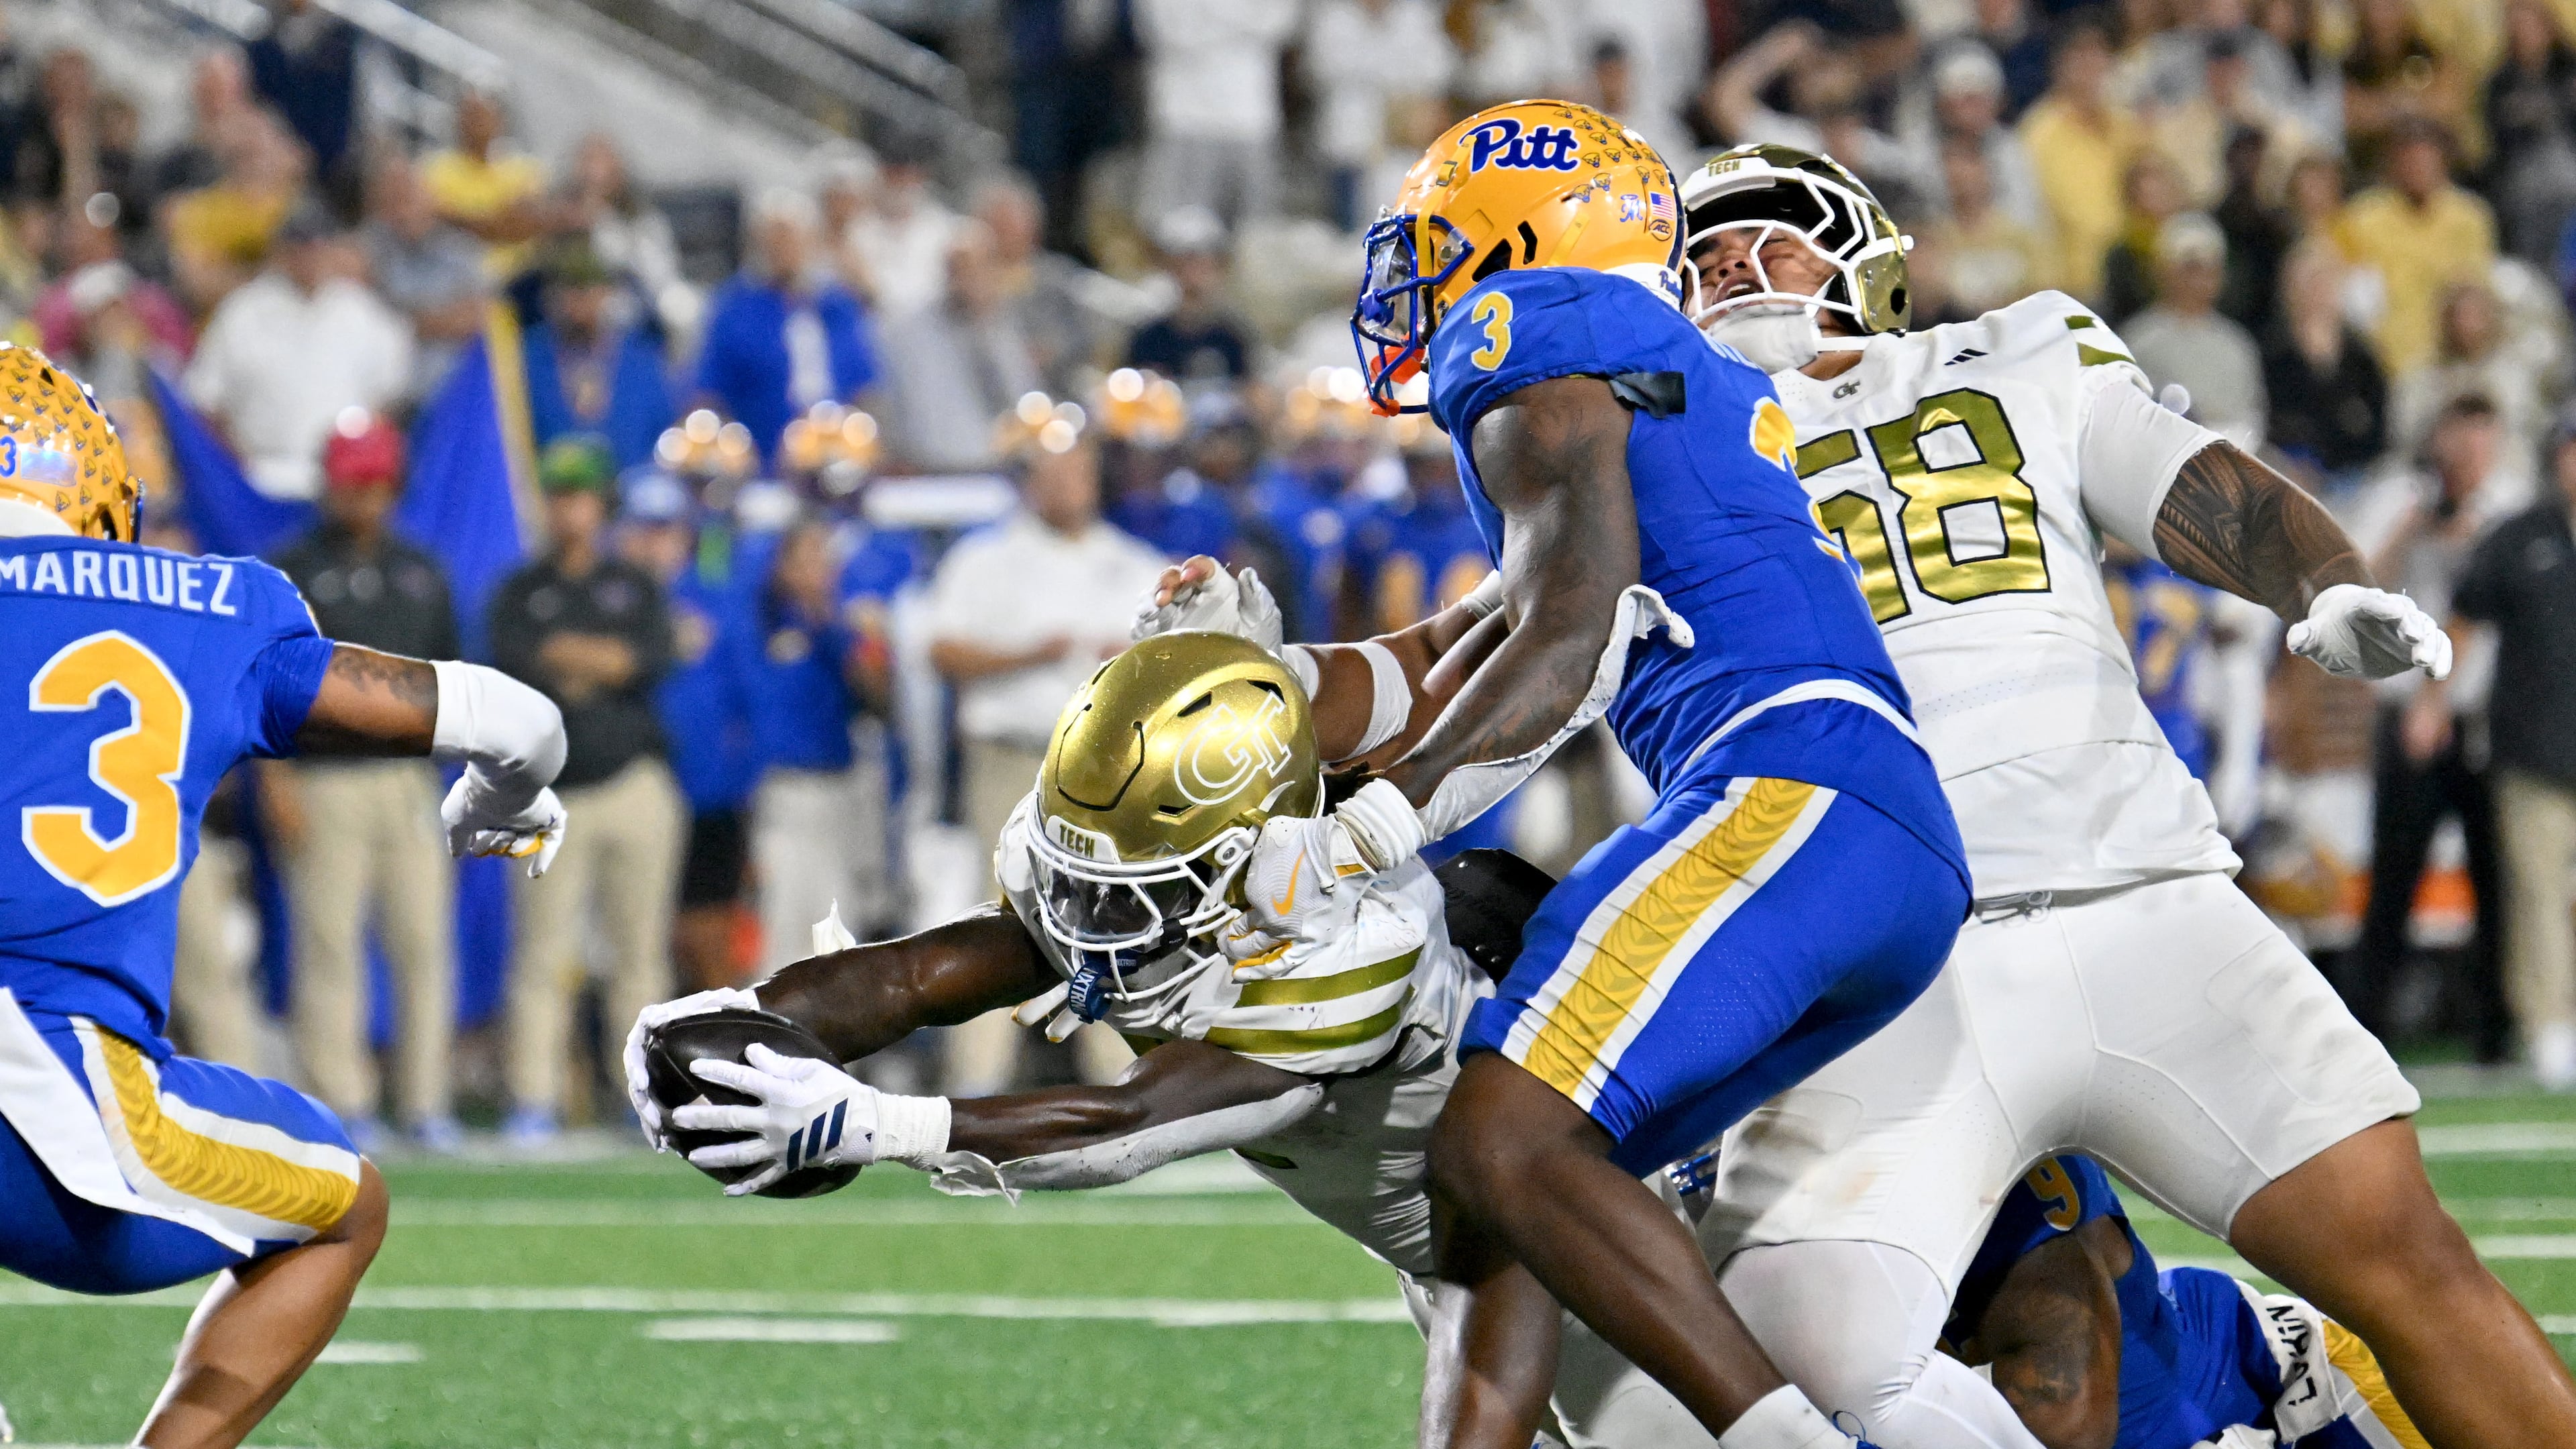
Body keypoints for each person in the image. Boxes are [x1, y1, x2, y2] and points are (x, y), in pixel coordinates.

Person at [1666, 141, 2573, 1446]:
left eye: (1774, 237)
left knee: (2407, 1261)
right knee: (1782, 1372)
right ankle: (2210, 1355)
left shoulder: (2021, 349)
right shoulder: (1654, 444)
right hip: (1879, 957)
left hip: (2143, 901)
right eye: (1703, 254)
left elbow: (2197, 482)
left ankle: (2239, 1353)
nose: (1737, 267)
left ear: (1866, 257)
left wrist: (2326, 586)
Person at [1165, 104, 1978, 1449]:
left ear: (1526, 238)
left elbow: (1570, 631)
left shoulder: (1538, 322)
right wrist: (1271, 683)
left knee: (1500, 1138)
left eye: (1438, 243)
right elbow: (1467, 642)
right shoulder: (1635, 379)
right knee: (1503, 1194)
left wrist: (1374, 822)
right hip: (1861, 828)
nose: (1418, 281)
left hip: (1787, 784)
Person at [0, 341, 566, 1449]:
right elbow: (517, 718)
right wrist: (500, 797)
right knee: (344, 1206)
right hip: (51, 1100)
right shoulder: (207, 606)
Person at [925, 424, 1164, 1094]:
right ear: (1031, 481)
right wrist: (1032, 653)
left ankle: (1125, 1085)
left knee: (1114, 920)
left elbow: (1178, 670)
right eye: (1054, 474)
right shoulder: (986, 559)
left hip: (1106, 768)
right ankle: (975, 1083)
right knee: (994, 917)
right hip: (1009, 755)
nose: (1067, 487)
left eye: (1078, 474)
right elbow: (942, 653)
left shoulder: (1137, 562)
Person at [264, 414, 467, 1153]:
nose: (363, 498)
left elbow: (452, 682)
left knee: (423, 942)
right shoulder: (293, 574)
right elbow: (265, 689)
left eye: (375, 484)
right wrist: (276, 782)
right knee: (328, 945)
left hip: (408, 782)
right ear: (330, 486)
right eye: (352, 483)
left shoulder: (422, 571)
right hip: (324, 779)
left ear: (393, 486)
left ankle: (426, 1101)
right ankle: (340, 1102)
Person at [487, 435, 682, 1143]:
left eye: (582, 495)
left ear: (601, 506)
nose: (572, 510)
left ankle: (643, 1100)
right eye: (560, 494)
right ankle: (533, 1100)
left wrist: (573, 657)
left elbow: (652, 659)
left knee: (639, 953)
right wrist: (603, 661)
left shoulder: (634, 584)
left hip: (633, 779)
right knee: (542, 954)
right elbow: (516, 666)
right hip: (548, 790)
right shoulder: (520, 590)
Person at [2344, 394, 2513, 1059]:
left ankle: (2495, 1029)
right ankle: (2366, 1025)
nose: (2470, 460)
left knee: (2495, 882)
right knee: (2393, 880)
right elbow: (2351, 586)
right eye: (2460, 443)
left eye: (2482, 445)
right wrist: (2412, 531)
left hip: (2479, 717)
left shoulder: (2506, 513)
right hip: (2407, 713)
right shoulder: (2401, 497)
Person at [2444, 409, 2576, 1089]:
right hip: (2536, 751)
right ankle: (2551, 1029)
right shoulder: (2521, 537)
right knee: (2538, 897)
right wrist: (2433, 700)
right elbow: (2464, 617)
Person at [616, 470, 755, 990]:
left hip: (707, 792)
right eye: (644, 529)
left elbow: (745, 697)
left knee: (704, 933)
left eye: (666, 529)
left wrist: (743, 781)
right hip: (625, 783)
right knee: (631, 934)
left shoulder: (715, 600)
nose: (655, 544)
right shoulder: (607, 601)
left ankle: (716, 1048)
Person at [183, 199, 413, 500]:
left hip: (344, 482)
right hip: (260, 477)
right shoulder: (243, 312)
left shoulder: (361, 311)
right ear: (281, 252)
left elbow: (390, 396)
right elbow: (207, 400)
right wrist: (234, 467)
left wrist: (361, 457)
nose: (309, 257)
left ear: (332, 250)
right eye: (299, 247)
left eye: (317, 247)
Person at [743, 518, 890, 975]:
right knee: (781, 917)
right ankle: (770, 1031)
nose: (816, 571)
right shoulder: (758, 623)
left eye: (823, 562)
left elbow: (880, 697)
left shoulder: (844, 631)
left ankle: (835, 1039)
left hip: (840, 791)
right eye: (804, 560)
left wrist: (837, 628)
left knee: (838, 920)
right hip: (778, 792)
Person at [694, 190, 879, 464]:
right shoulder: (734, 310)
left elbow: (865, 387)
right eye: (775, 242)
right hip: (762, 459)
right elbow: (709, 395)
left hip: (839, 458)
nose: (784, 251)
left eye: (792, 240)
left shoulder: (838, 305)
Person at [873, 220, 1042, 472]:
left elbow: (1024, 401)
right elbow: (892, 411)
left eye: (978, 269)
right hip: (932, 471)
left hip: (1006, 469)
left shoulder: (1005, 327)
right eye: (958, 270)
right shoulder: (905, 332)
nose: (967, 281)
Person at [2340, 119, 2498, 378]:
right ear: (2392, 166)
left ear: (2443, 163)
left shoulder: (2470, 217)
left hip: (2452, 364)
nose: (2418, 171)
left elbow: (2477, 294)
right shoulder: (2362, 218)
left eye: (2426, 162)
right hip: (2383, 365)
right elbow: (2354, 302)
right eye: (2410, 163)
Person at [1132, 0, 1297, 229]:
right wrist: (1242, 22)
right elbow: (1166, 30)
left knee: (1258, 230)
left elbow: (1281, 23)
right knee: (1175, 230)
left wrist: (1208, 17)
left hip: (1250, 117)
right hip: (1183, 116)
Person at [523, 238, 674, 472]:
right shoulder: (528, 360)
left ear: (606, 294)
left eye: (589, 292)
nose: (580, 306)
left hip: (630, 489)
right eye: (570, 293)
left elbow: (663, 432)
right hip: (550, 491)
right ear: (551, 297)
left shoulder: (639, 359)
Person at [2121, 211, 2268, 446]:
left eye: (2210, 268)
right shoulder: (2138, 341)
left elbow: (2252, 418)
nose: (2200, 279)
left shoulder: (2237, 344)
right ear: (2164, 271)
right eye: (2191, 267)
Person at [362, 154, 489, 398]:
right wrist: (438, 320)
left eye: (409, 197)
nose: (402, 209)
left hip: (450, 392)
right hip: (386, 393)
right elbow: (360, 320)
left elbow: (475, 319)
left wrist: (404, 321)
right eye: (392, 198)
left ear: (431, 199)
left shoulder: (461, 251)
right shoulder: (366, 249)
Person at [419, 89, 551, 276]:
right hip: (453, 276)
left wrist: (464, 220)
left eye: (483, 117)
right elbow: (433, 221)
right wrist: (499, 219)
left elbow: (528, 223)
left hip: (517, 277)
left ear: (500, 121)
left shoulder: (525, 169)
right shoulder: (436, 168)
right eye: (471, 117)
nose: (477, 125)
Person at [1124, 206, 1258, 384]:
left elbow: (1251, 391)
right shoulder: (1148, 337)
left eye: (1202, 266)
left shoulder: (1233, 337)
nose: (1193, 275)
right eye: (1183, 264)